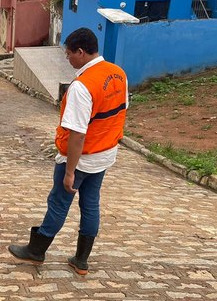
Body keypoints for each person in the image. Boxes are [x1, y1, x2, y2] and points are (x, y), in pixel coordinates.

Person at [7, 27, 128, 276]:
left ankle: (36, 250)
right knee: (91, 204)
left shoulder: (82, 87)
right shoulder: (118, 74)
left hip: (80, 157)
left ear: (81, 52)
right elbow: (121, 110)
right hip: (104, 154)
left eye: (69, 53)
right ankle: (81, 260)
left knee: (59, 203)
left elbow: (77, 134)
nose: (67, 58)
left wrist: (70, 171)